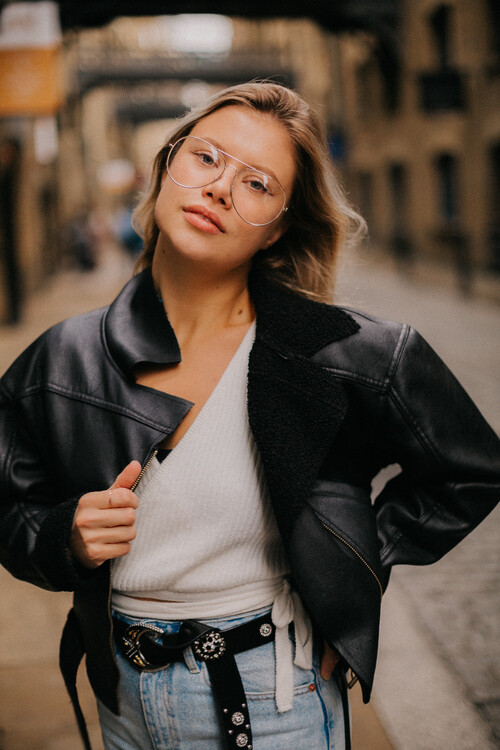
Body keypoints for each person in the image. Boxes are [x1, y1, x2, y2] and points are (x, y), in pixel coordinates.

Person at [0, 82, 498, 750]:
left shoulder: (350, 354)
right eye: (206, 158)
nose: (218, 189)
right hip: (120, 697)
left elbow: (470, 470)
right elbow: (11, 505)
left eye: (257, 184)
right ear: (167, 166)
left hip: (273, 700)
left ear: (279, 228)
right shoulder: (64, 357)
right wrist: (67, 537)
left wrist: (351, 573)